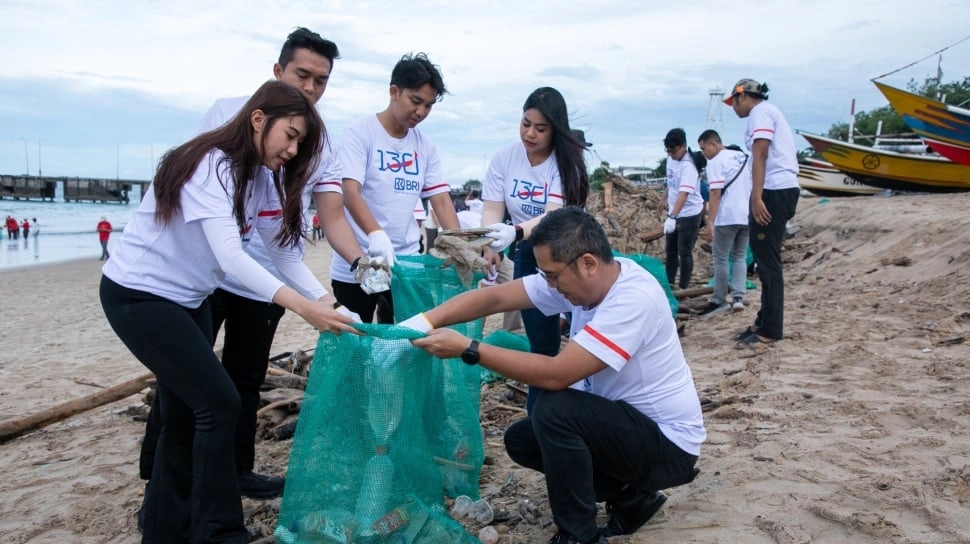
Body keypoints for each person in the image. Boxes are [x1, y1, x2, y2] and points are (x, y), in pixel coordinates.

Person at [100, 80, 360, 543]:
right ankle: (220, 532)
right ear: (258, 119)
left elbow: (282, 253)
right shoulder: (211, 165)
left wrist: (326, 301)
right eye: (291, 135)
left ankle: (164, 530)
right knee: (220, 404)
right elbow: (230, 257)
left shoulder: (260, 176)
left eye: (302, 142)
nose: (294, 149)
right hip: (138, 295)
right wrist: (302, 308)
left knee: (184, 417)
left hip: (187, 301)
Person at [403, 207, 705, 544]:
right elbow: (495, 296)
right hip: (629, 429)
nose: (549, 284)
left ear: (588, 263)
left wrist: (469, 349)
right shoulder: (581, 279)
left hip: (669, 445)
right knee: (523, 439)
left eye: (552, 275)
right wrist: (424, 321)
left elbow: (557, 375)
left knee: (553, 408)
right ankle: (633, 498)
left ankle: (579, 536)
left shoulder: (632, 299)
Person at [479, 86, 590, 413]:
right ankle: (540, 415)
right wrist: (490, 243)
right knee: (541, 342)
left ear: (556, 129)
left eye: (540, 129)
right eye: (525, 123)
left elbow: (554, 214)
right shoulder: (505, 157)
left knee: (584, 330)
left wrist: (514, 232)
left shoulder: (564, 162)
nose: (530, 133)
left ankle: (586, 404)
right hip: (527, 251)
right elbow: (492, 208)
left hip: (568, 250)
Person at [332, 52, 460, 324]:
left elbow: (442, 201)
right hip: (360, 263)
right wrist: (375, 233)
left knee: (404, 341)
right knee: (358, 343)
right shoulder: (360, 133)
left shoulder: (425, 146)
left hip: (407, 265)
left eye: (428, 105)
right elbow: (349, 191)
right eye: (415, 101)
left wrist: (463, 245)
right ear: (394, 91)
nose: (421, 112)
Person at [724, 79, 800, 347]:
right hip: (779, 190)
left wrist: (756, 197)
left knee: (768, 263)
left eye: (732, 102)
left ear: (741, 97)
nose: (732, 108)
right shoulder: (766, 113)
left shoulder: (760, 113)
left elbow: (760, 155)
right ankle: (763, 320)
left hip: (774, 191)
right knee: (763, 260)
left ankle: (770, 329)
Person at [696, 129, 751, 315]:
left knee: (720, 257)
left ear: (714, 144)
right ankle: (738, 297)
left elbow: (715, 192)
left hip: (727, 216)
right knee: (740, 256)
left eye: (704, 148)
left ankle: (719, 299)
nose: (704, 153)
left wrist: (710, 221)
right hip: (747, 215)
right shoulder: (743, 157)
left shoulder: (716, 162)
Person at [657, 128, 704, 290]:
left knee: (684, 251)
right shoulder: (671, 159)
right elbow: (671, 184)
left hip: (690, 213)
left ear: (683, 146)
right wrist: (663, 200)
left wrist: (673, 217)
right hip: (674, 211)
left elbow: (683, 194)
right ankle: (670, 283)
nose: (671, 154)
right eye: (668, 151)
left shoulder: (689, 166)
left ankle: (683, 286)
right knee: (670, 249)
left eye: (674, 151)